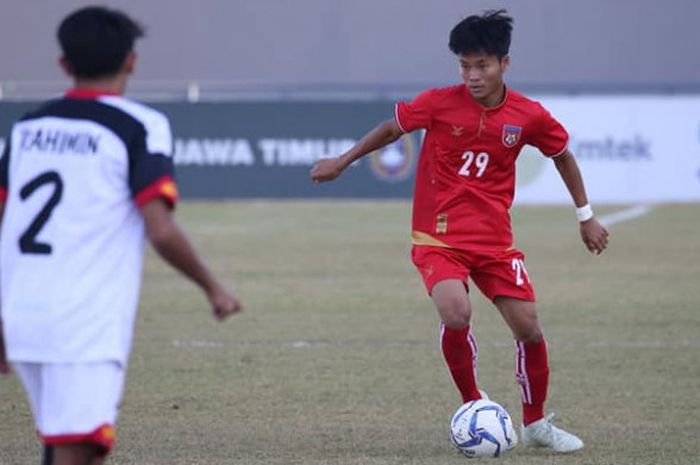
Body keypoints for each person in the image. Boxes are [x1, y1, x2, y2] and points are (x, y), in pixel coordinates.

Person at [311, 9, 608, 454]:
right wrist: (343, 160)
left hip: (494, 240)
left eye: (481, 66)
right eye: (464, 66)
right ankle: (473, 404)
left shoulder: (528, 115)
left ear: (504, 64)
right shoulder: (438, 102)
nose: (471, 76)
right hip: (438, 236)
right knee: (455, 311)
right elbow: (393, 127)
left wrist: (585, 215)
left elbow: (562, 154)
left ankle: (535, 424)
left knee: (528, 327)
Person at [0, 6, 242, 465]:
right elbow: (160, 228)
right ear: (131, 61)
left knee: (76, 447)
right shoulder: (139, 126)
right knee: (74, 451)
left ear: (64, 66)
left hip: (21, 314)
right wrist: (214, 288)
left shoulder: (27, 129)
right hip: (81, 323)